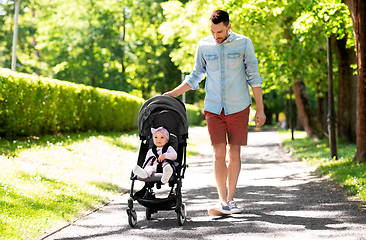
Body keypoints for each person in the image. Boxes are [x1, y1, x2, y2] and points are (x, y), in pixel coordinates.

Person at [164, 10, 266, 216]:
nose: (216, 36)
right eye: (212, 31)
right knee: (218, 153)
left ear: (229, 26)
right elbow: (196, 75)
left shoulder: (244, 43)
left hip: (238, 106)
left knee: (234, 152)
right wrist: (173, 94)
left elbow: (253, 76)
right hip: (213, 107)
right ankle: (222, 201)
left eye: (219, 31)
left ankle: (231, 199)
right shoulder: (203, 45)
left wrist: (260, 109)